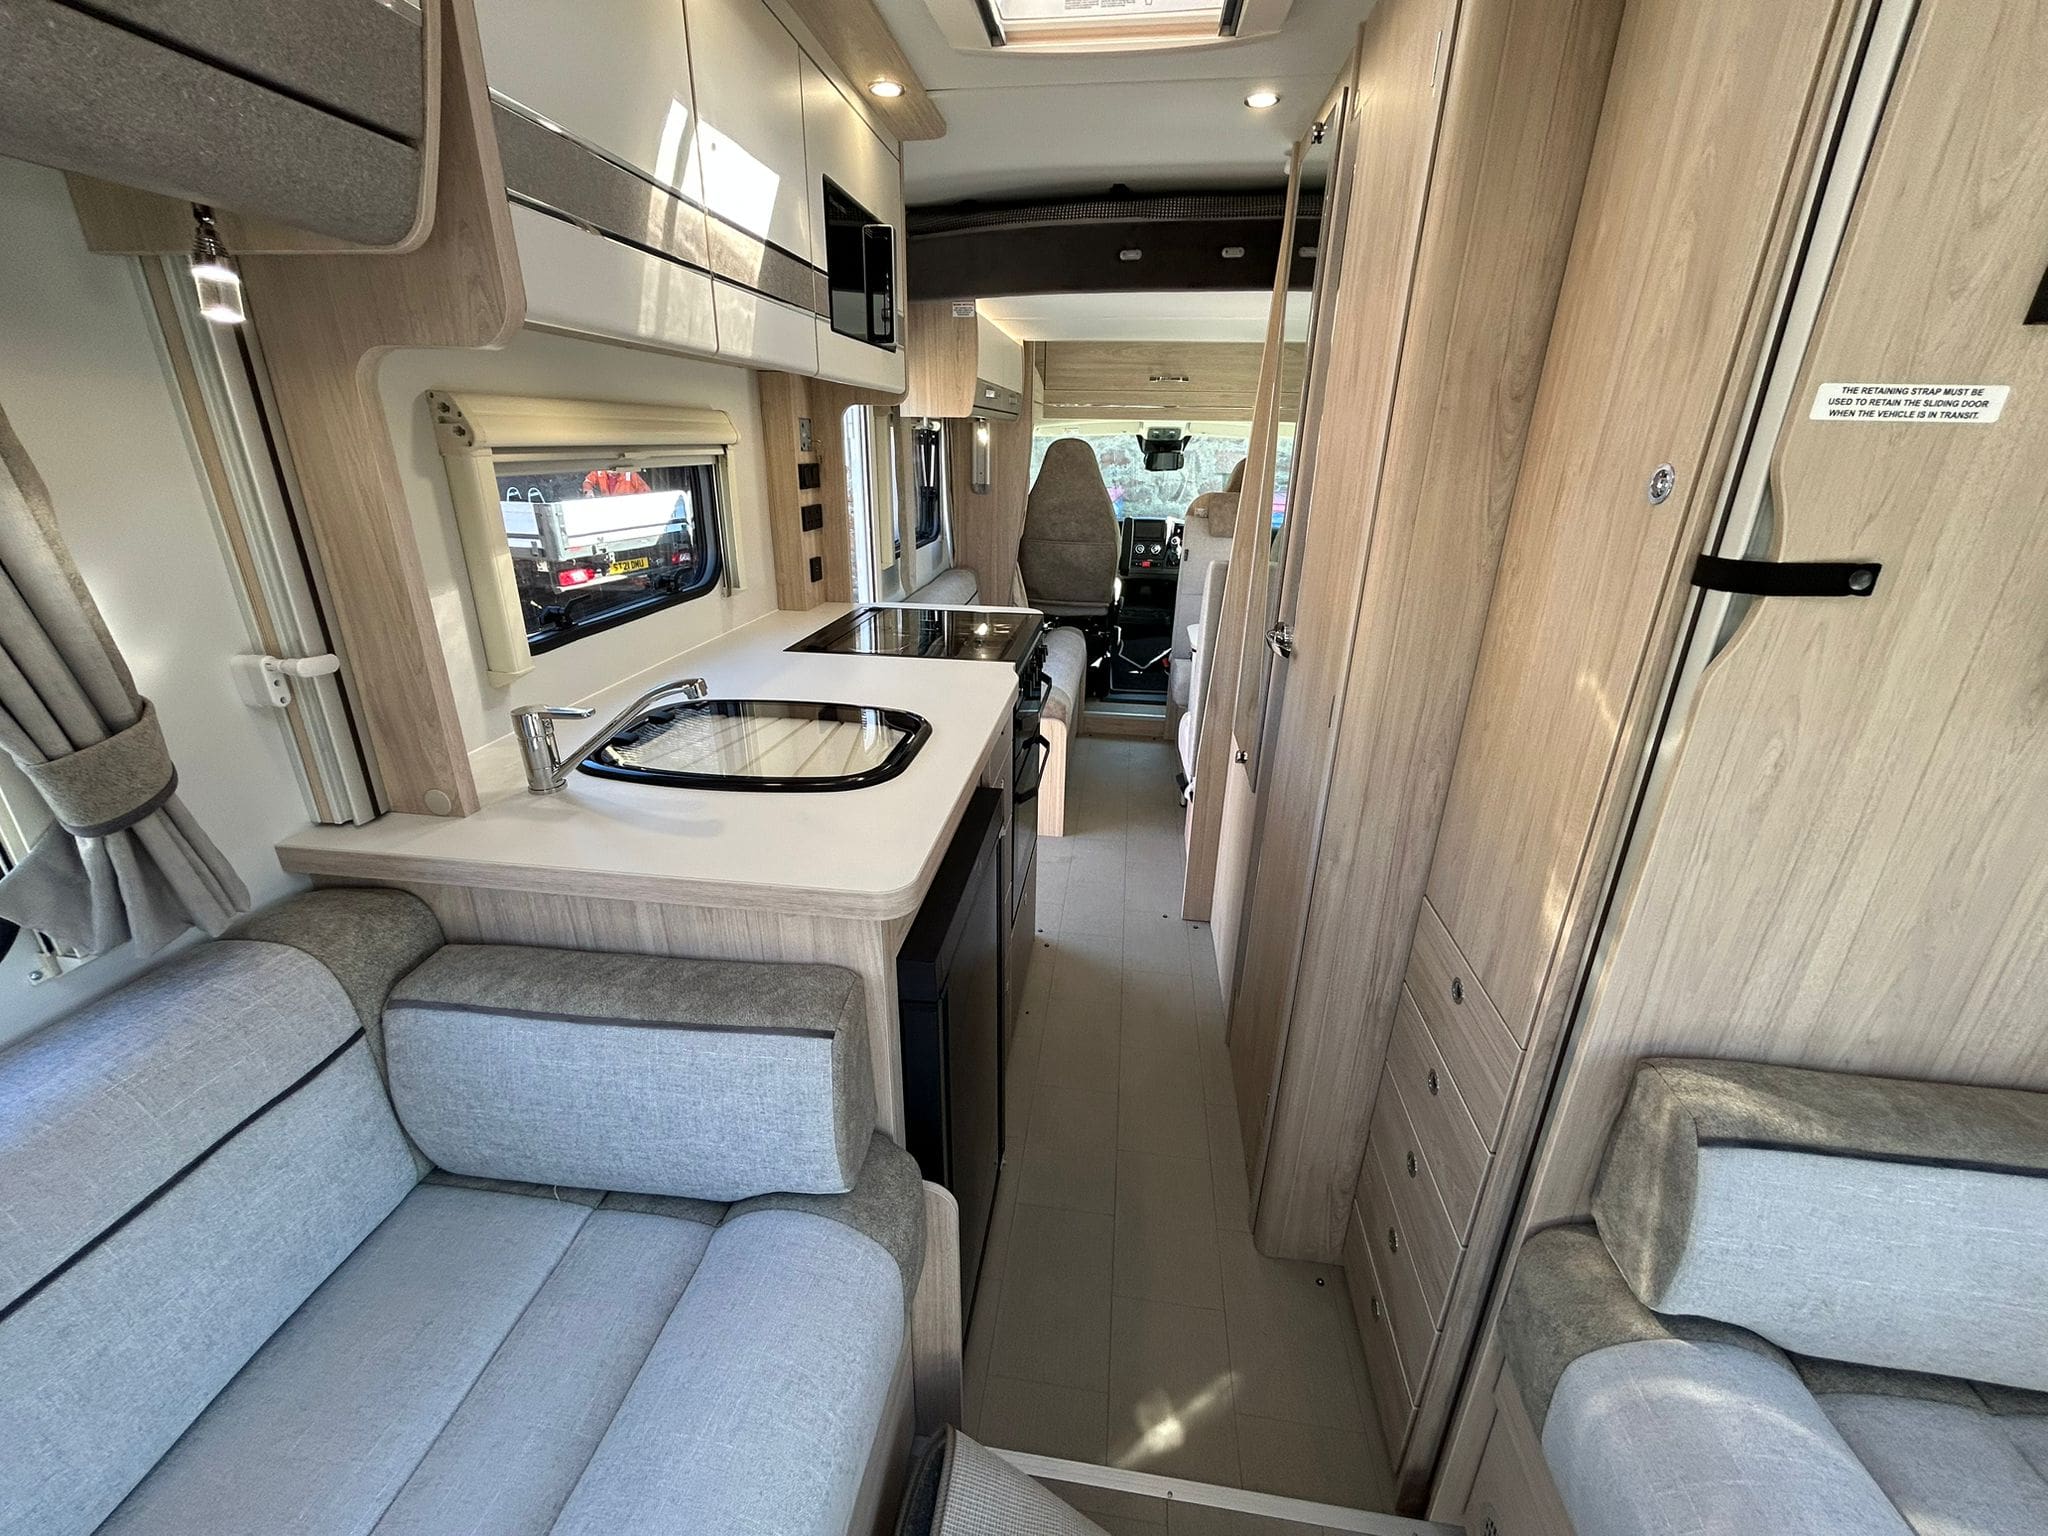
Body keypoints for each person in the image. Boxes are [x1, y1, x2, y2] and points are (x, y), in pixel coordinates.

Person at [581, 465, 650, 496]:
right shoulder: (600, 472)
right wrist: (588, 491)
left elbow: (646, 492)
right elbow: (588, 481)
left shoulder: (630, 474)